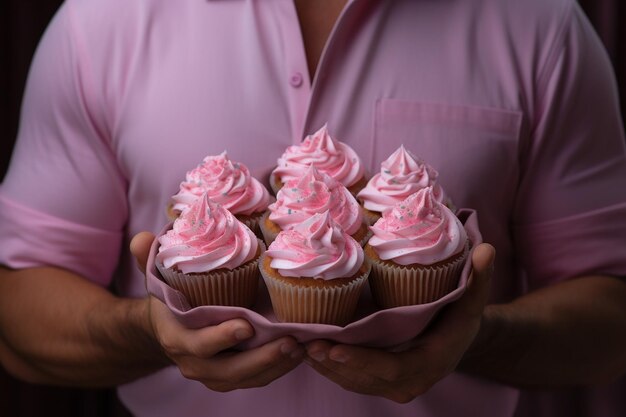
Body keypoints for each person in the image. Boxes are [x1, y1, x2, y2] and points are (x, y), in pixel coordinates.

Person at [1, 0, 625, 416]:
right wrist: (149, 330)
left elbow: (611, 318)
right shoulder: (100, 20)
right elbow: (17, 314)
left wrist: (474, 336)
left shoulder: (543, 22)